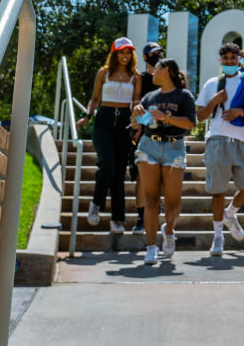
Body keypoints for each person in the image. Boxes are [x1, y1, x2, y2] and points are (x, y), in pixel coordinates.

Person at [195, 42, 244, 257]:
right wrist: (214, 101)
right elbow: (200, 116)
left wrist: (240, 112)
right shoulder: (212, 84)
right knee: (217, 192)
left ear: (239, 60)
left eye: (233, 58)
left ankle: (230, 214)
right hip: (218, 141)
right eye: (225, 58)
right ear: (220, 60)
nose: (229, 62)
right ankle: (218, 237)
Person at [132, 58, 197, 265]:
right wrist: (136, 114)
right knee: (151, 200)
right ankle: (151, 247)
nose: (152, 72)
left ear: (167, 70)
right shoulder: (149, 96)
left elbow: (190, 124)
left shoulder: (184, 95)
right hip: (148, 146)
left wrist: (165, 117)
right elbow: (138, 124)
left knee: (173, 205)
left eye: (157, 68)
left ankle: (169, 231)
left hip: (174, 148)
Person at [80, 37, 141, 235]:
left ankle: (117, 218)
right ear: (115, 53)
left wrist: (138, 125)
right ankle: (96, 204)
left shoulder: (135, 76)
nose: (125, 55)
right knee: (107, 164)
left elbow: (136, 103)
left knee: (119, 172)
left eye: (128, 52)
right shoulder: (103, 72)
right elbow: (95, 98)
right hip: (104, 120)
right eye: (121, 52)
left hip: (124, 121)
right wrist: (87, 116)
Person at [127, 41, 164, 236]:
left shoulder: (166, 77)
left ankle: (156, 209)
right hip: (143, 131)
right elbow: (136, 103)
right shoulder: (140, 78)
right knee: (141, 175)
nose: (157, 57)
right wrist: (139, 127)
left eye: (159, 53)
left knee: (161, 174)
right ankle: (141, 217)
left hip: (163, 131)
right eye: (153, 53)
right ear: (145, 57)